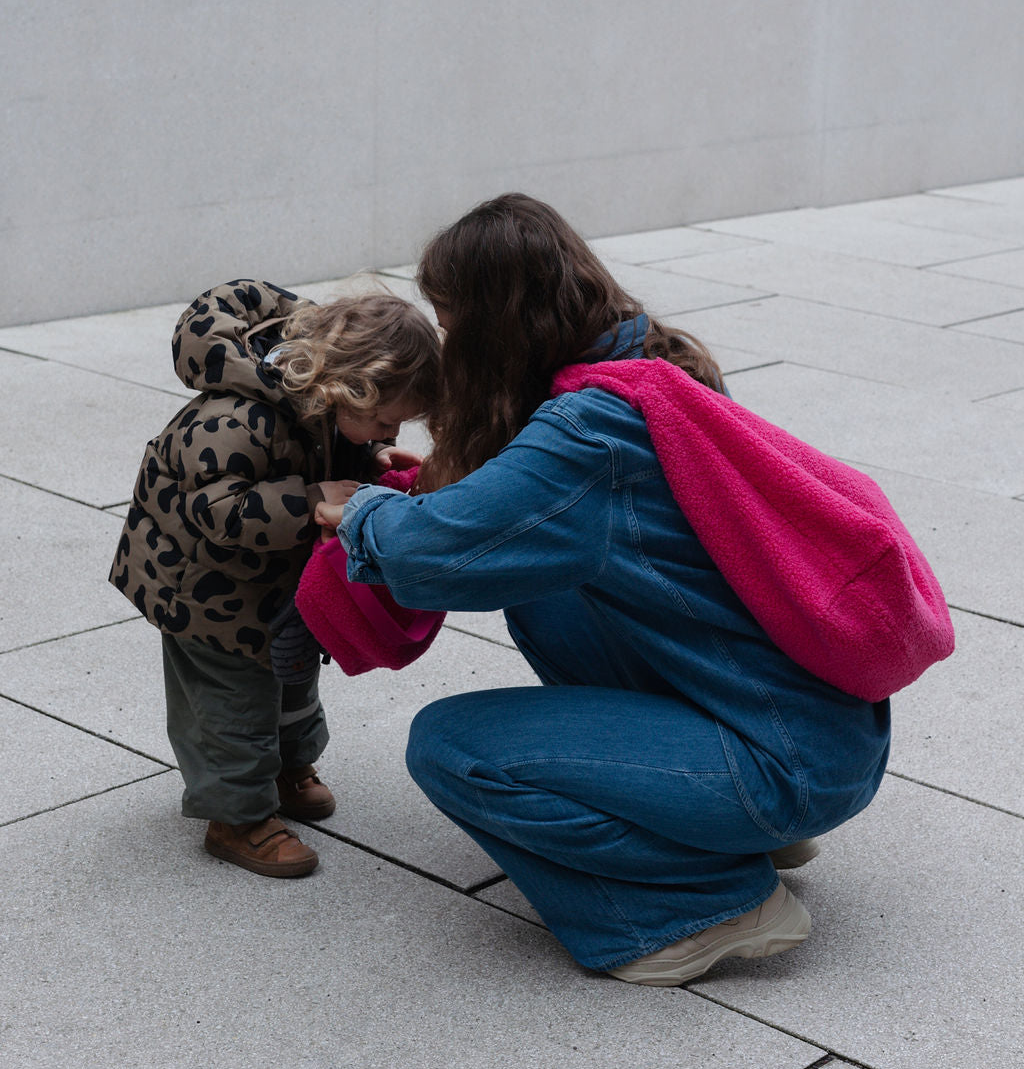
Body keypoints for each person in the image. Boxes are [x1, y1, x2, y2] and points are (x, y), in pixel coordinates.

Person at [314, 195, 892, 983]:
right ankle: (727, 824)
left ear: (493, 324)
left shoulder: (586, 434)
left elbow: (433, 554)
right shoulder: (646, 366)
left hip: (780, 764)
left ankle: (709, 901)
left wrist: (365, 511)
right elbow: (504, 526)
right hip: (821, 731)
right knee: (547, 588)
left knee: (451, 747)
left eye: (450, 324)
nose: (447, 345)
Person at [110, 279, 439, 879]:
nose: (393, 435)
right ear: (349, 388)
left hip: (271, 589)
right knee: (230, 705)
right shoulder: (235, 418)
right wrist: (312, 497)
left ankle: (291, 768)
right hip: (206, 597)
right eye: (387, 424)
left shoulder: (321, 408)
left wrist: (367, 462)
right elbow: (215, 511)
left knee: (291, 682)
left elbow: (318, 453)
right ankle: (236, 817)